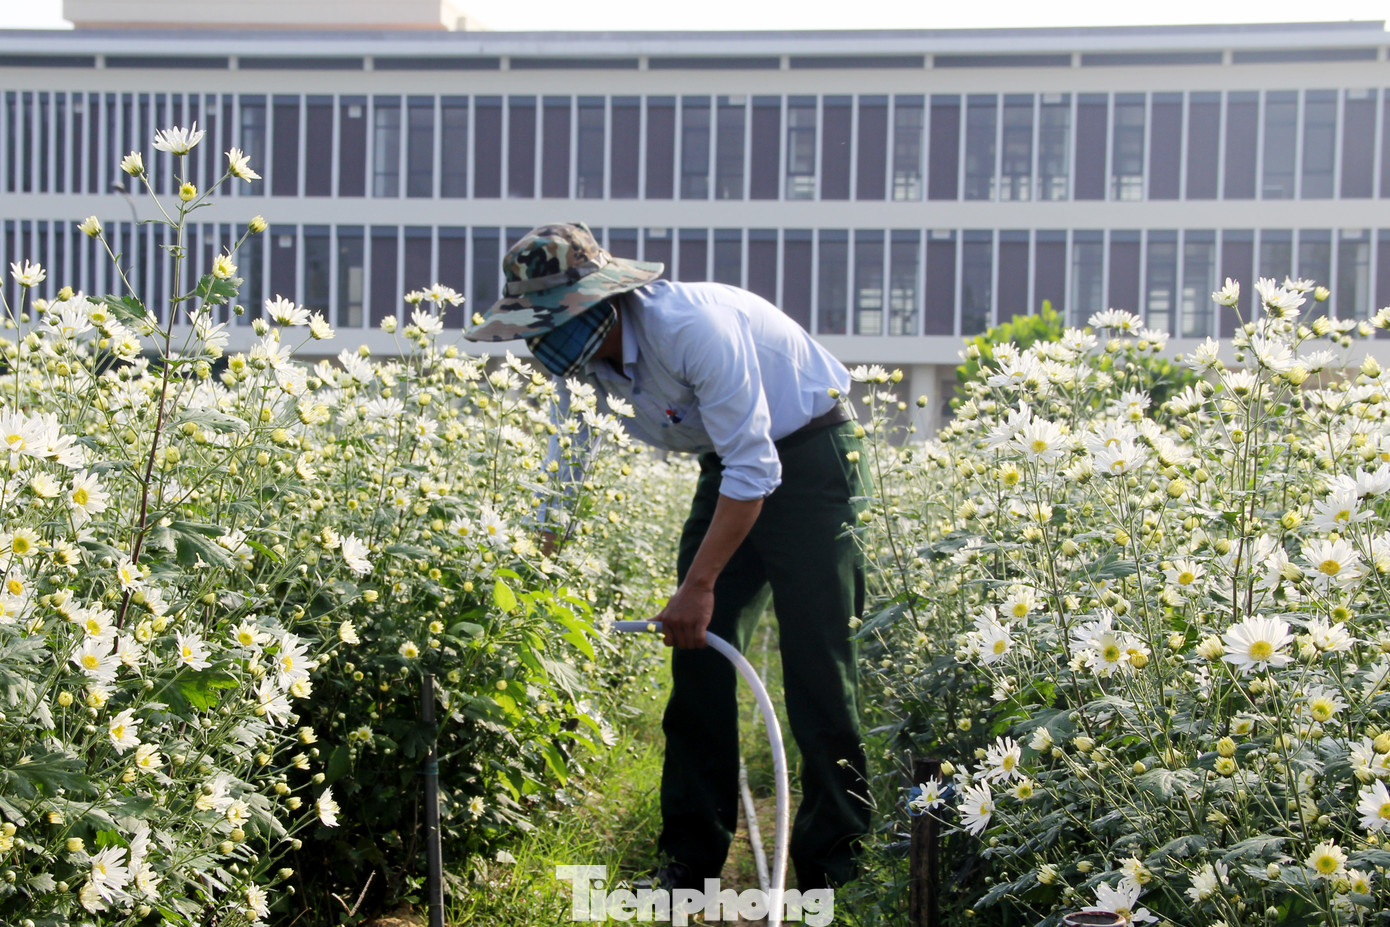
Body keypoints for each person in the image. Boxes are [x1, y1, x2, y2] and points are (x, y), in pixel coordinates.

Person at [464, 222, 870, 892]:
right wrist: (536, 565)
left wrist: (700, 582)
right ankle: (690, 861)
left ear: (599, 301)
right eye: (532, 325)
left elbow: (756, 466)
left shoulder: (691, 329)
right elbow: (568, 468)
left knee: (818, 667)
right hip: (732, 470)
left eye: (551, 319)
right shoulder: (585, 364)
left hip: (813, 457)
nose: (542, 340)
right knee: (696, 653)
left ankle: (834, 874)